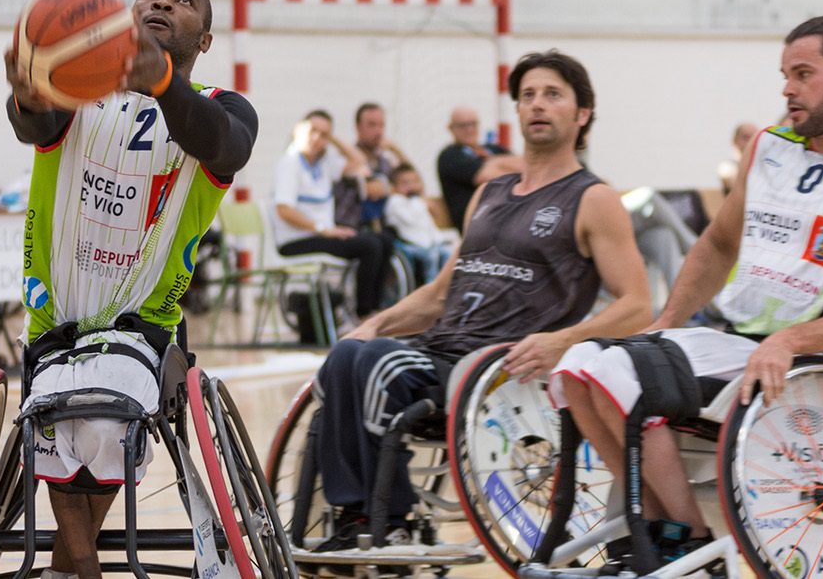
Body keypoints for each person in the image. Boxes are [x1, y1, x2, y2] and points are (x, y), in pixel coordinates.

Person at [550, 15, 823, 565]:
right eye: (785, 74)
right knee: (579, 363)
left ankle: (687, 540)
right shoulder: (769, 147)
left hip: (797, 365)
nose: (787, 88)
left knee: (615, 372)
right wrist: (667, 321)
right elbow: (715, 245)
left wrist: (790, 341)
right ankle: (656, 525)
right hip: (728, 343)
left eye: (803, 74)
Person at [310, 50, 650, 552]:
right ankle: (355, 514)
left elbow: (639, 304)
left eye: (553, 94)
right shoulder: (490, 192)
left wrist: (563, 343)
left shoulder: (594, 198)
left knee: (376, 366)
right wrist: (376, 324)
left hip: (499, 365)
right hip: (440, 346)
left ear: (582, 115)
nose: (537, 104)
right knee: (346, 354)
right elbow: (441, 291)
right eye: (528, 95)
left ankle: (385, 516)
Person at [3, 0, 258, 579]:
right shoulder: (78, 89)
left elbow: (223, 146)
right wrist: (30, 93)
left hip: (139, 324)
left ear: (205, 41)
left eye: (184, 0)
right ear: (126, 16)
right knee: (69, 411)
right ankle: (76, 567)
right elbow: (32, 127)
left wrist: (164, 83)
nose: (163, 1)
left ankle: (78, 567)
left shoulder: (225, 105)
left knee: (97, 409)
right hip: (55, 314)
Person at [273, 110, 390, 319]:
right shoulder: (290, 162)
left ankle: (376, 308)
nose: (317, 138)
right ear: (298, 130)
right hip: (297, 240)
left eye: (324, 134)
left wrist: (333, 139)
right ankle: (364, 314)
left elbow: (361, 162)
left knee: (385, 241)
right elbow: (284, 210)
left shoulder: (324, 163)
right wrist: (323, 230)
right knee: (369, 246)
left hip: (322, 235)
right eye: (312, 131)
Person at [436, 105, 523, 230]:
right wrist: (504, 165)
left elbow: (527, 166)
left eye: (473, 124)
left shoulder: (494, 148)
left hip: (509, 215)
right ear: (451, 128)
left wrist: (494, 163)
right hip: (478, 225)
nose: (469, 130)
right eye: (463, 125)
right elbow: (486, 176)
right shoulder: (450, 155)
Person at [384, 163, 453, 283]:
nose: (412, 187)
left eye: (414, 182)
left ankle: (447, 286)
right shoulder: (395, 201)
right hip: (408, 244)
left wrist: (440, 240)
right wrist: (420, 201)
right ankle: (430, 287)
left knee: (449, 252)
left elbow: (429, 226)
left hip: (428, 243)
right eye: (405, 183)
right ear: (394, 187)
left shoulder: (417, 201)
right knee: (432, 256)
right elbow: (410, 222)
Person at [716, 121, 759, 194]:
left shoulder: (762, 166)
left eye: (754, 137)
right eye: (746, 137)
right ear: (735, 140)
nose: (750, 141)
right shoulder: (727, 167)